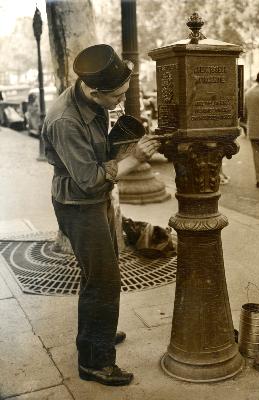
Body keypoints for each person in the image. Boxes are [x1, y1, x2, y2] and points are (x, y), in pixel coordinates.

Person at [42, 44, 160, 386]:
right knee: (104, 280)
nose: (119, 103)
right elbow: (90, 180)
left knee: (101, 275)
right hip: (79, 206)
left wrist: (117, 142)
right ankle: (95, 361)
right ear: (95, 91)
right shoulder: (65, 120)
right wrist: (134, 158)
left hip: (96, 201)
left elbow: (98, 159)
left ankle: (98, 332)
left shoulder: (92, 98)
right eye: (116, 98)